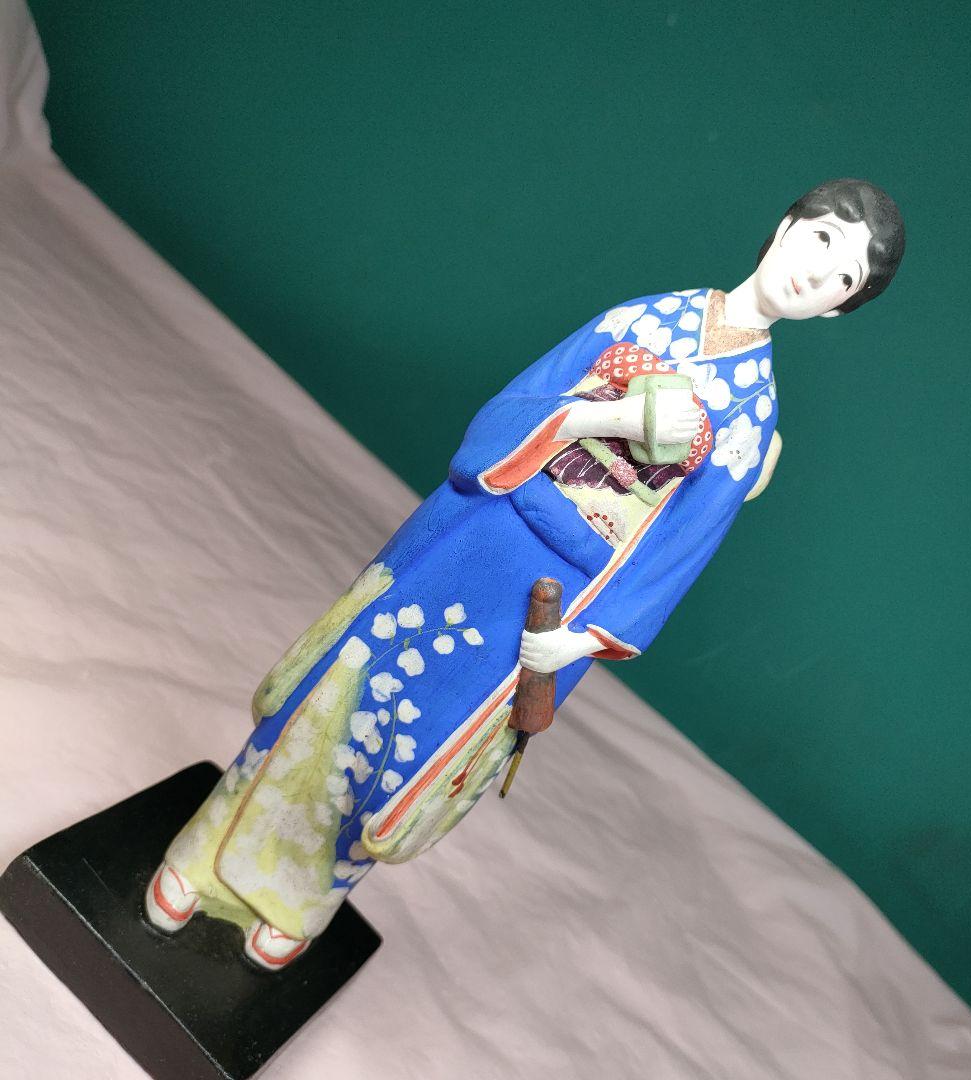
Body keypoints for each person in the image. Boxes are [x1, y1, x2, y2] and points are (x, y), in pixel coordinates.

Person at [146, 178, 905, 969]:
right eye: (821, 239)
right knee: (341, 683)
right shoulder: (641, 319)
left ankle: (299, 900)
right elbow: (508, 414)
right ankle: (201, 857)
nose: (816, 272)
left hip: (553, 596)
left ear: (836, 311)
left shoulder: (752, 418)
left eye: (842, 278)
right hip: (480, 532)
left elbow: (680, 551)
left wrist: (580, 640)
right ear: (786, 225)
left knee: (421, 743)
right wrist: (606, 416)